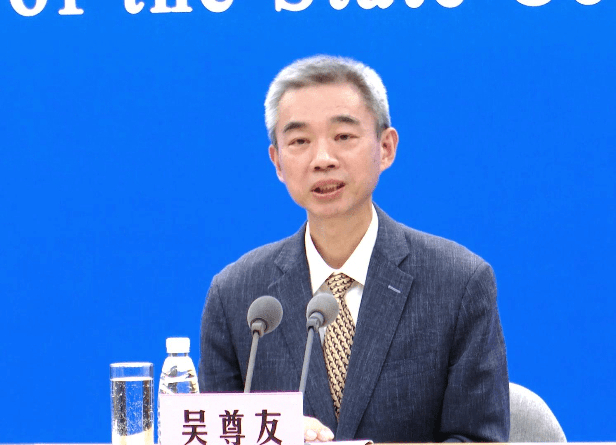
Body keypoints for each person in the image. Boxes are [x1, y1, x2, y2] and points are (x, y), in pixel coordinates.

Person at [198, 55, 509, 443]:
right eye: (299, 141)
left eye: (343, 136)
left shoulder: (458, 283)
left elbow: (478, 440)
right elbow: (213, 435)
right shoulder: (237, 296)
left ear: (386, 147)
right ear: (277, 162)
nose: (323, 160)